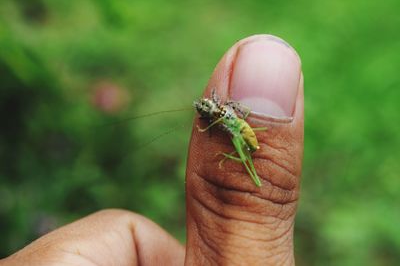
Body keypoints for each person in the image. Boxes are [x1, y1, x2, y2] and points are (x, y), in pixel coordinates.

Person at [0, 34, 303, 266]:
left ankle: (248, 167)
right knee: (232, 142)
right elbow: (216, 123)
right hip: (236, 129)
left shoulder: (219, 115)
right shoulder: (213, 116)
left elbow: (224, 121)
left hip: (245, 133)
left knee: (244, 153)